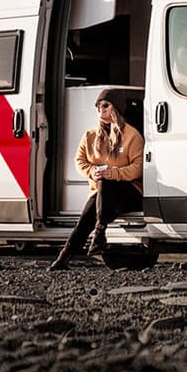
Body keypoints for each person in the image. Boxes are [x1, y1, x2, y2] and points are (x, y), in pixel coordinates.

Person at [51, 89, 143, 269]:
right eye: (98, 106)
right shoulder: (90, 136)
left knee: (105, 181)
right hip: (102, 194)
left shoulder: (132, 135)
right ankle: (65, 257)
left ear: (115, 108)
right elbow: (79, 161)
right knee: (87, 216)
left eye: (105, 105)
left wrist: (114, 173)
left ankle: (97, 235)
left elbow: (139, 168)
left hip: (129, 192)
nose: (101, 109)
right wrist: (93, 171)